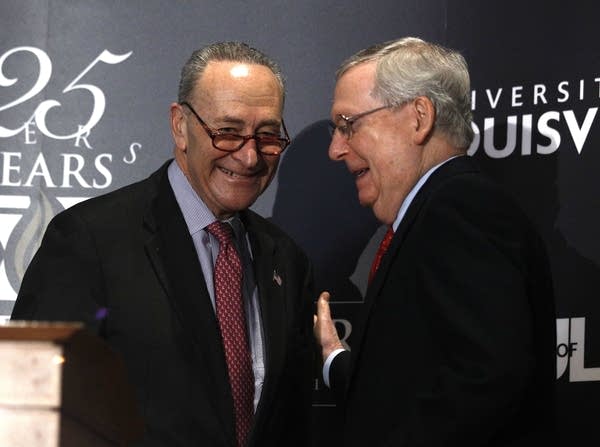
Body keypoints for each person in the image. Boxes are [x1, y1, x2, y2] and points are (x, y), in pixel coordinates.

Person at [11, 41, 314, 447]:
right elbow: (31, 409)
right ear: (180, 126)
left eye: (267, 135)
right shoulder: (89, 240)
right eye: (228, 132)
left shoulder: (286, 259)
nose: (250, 156)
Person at [313, 37, 557, 446]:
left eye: (348, 125)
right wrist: (335, 360)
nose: (336, 149)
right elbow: (413, 382)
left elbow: (484, 382)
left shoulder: (460, 209)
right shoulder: (433, 213)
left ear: (419, 118)